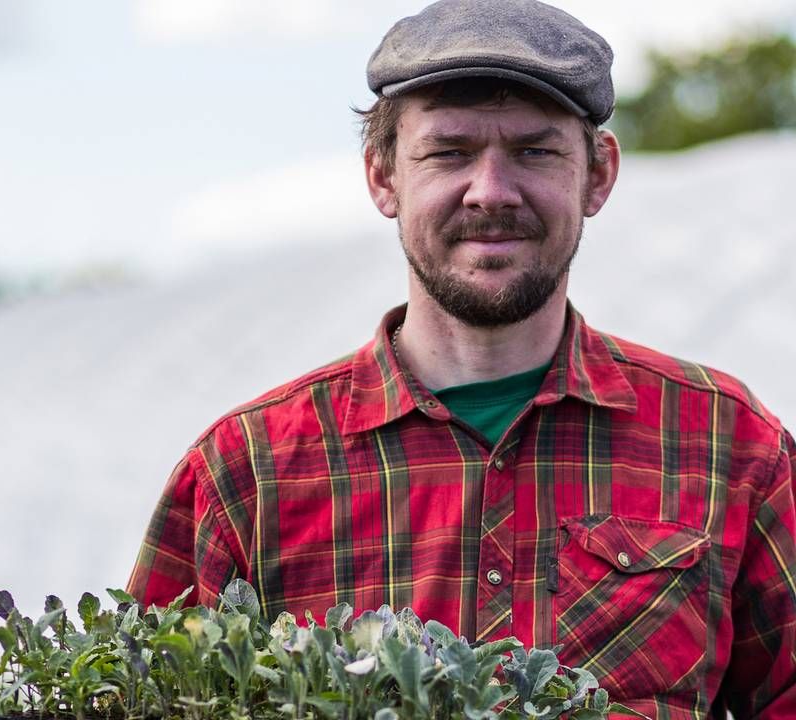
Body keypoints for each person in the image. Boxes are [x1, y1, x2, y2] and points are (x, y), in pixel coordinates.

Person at [127, 0, 796, 716]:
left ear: (597, 175)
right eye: (449, 152)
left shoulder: (728, 446)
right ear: (383, 176)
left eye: (535, 151)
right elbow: (138, 695)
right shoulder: (247, 473)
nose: (492, 192)